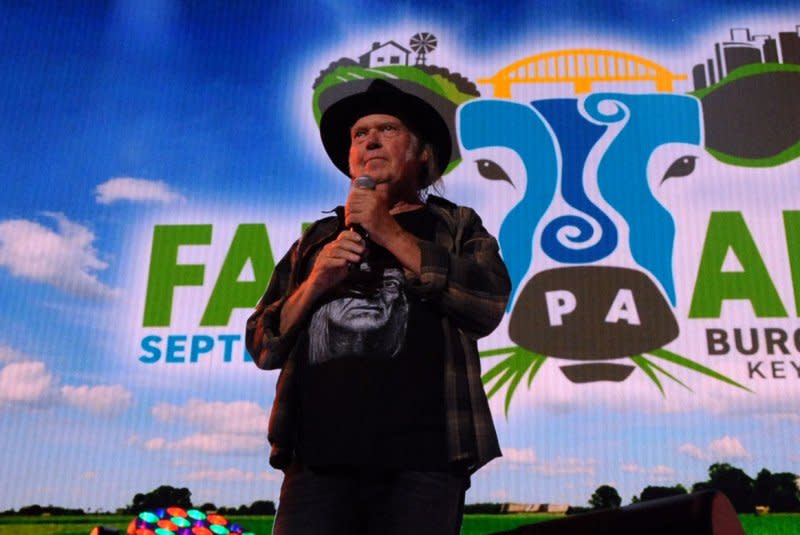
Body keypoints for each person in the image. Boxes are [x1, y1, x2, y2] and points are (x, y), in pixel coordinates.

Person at [246, 78, 510, 534]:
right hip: (316, 465)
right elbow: (263, 344)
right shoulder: (316, 240)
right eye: (358, 134)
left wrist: (387, 231)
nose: (369, 140)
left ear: (422, 154)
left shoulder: (457, 225)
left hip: (424, 463)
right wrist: (315, 284)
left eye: (387, 129)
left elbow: (487, 302)